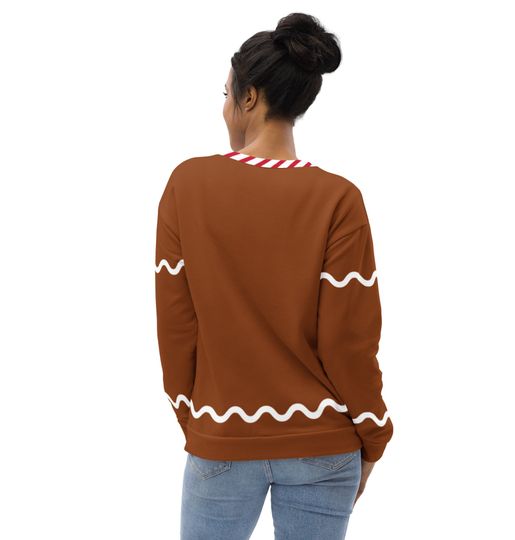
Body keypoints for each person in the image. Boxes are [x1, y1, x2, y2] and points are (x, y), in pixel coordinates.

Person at [154, 12, 393, 540]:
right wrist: (374, 434)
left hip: (221, 437)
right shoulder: (339, 198)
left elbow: (176, 327)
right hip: (325, 443)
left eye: (227, 94)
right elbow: (349, 341)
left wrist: (201, 422)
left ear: (249, 97)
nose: (224, 108)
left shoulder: (188, 184)